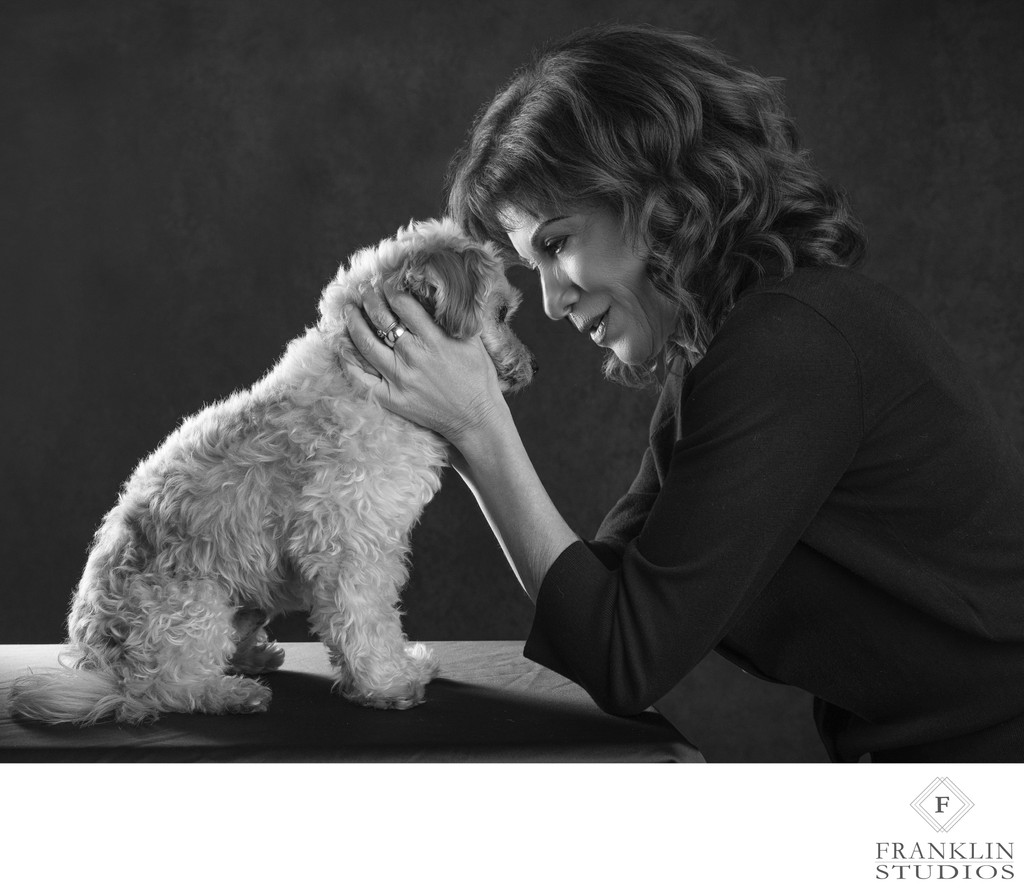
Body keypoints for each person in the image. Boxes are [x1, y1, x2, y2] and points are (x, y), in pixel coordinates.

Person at [344, 24, 1024, 762]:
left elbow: (623, 658)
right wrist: (459, 425)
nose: (549, 301)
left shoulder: (794, 345)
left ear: (657, 193)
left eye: (557, 242)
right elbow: (598, 607)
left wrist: (480, 425)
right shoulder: (725, 355)